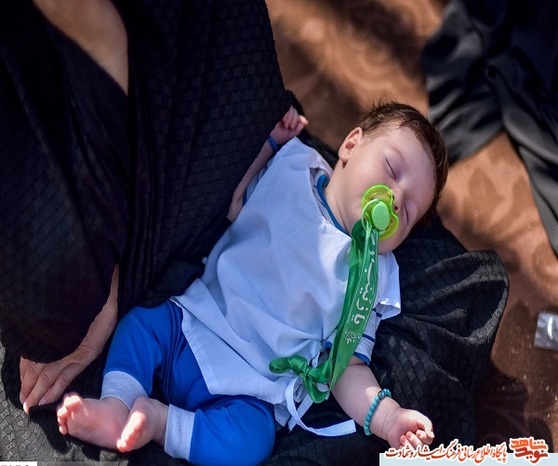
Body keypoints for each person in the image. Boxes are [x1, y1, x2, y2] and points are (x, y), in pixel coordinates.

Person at [55, 102, 448, 464]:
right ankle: (117, 403)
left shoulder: (372, 279)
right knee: (140, 326)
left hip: (253, 386)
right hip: (194, 322)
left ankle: (161, 423)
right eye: (392, 170)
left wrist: (389, 418)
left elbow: (347, 369)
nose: (396, 199)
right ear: (350, 145)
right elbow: (232, 198)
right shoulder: (295, 165)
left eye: (408, 213)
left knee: (251, 442)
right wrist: (270, 141)